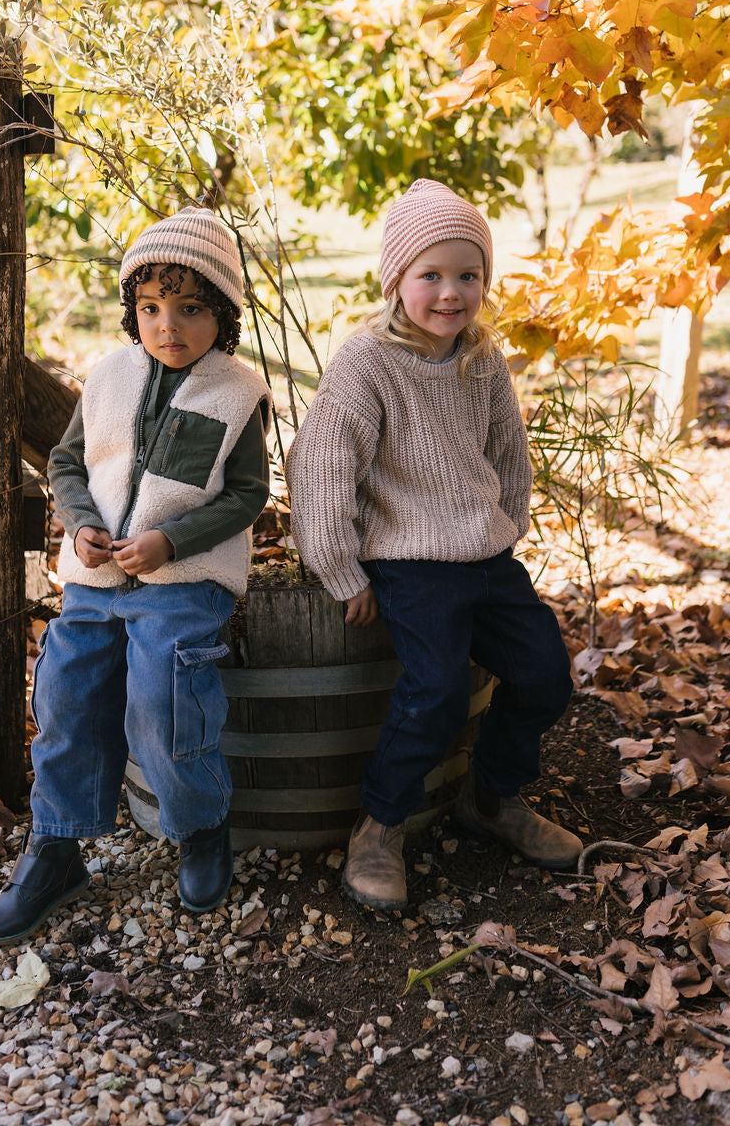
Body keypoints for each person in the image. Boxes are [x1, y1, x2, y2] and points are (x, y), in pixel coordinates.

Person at [0, 206, 271, 946]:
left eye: (190, 309)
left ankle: (200, 826)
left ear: (224, 314)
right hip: (95, 578)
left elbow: (246, 496)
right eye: (151, 308)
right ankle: (56, 848)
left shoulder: (236, 393)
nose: (168, 326)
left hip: (184, 580)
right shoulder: (109, 377)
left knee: (164, 703)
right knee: (66, 697)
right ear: (132, 310)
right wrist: (79, 522)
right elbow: (68, 461)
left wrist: (172, 540)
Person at [285, 179, 579, 911]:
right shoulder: (367, 363)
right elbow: (323, 466)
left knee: (545, 672)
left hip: (486, 557)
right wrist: (342, 571)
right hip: (409, 561)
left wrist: (503, 525)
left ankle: (492, 797)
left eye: (468, 275)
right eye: (431, 275)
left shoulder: (483, 359)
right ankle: (379, 826)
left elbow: (508, 456)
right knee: (437, 692)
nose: (451, 293)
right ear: (396, 279)